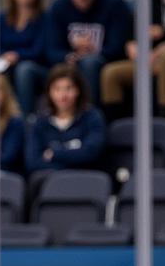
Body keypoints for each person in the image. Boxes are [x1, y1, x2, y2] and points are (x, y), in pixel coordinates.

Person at [45, 0, 131, 106]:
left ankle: (89, 114)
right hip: (69, 64)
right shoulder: (58, 6)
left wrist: (91, 52)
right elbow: (51, 49)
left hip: (103, 63)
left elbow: (117, 47)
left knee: (90, 62)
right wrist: (71, 56)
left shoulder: (114, 4)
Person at [25, 63, 105, 191]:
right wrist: (72, 159)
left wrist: (54, 154)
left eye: (69, 88)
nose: (63, 95)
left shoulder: (92, 117)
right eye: (57, 89)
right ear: (49, 92)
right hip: (49, 184)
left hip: (85, 182)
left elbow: (91, 154)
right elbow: (32, 162)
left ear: (78, 90)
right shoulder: (39, 122)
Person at [0, 0, 48, 117]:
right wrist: (5, 57)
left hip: (38, 70)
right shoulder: (2, 18)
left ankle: (26, 119)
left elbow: (40, 51)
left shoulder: (45, 18)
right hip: (8, 67)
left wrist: (16, 55)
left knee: (24, 69)